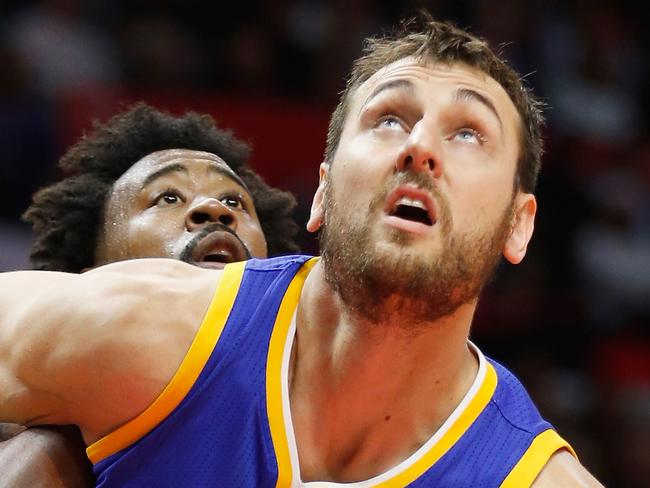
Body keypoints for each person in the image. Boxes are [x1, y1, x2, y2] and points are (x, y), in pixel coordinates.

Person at [0, 16, 603, 487]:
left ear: (518, 226)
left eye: (468, 133)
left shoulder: (532, 476)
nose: (420, 146)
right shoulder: (152, 331)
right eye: (389, 118)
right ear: (321, 192)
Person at [0, 102, 300, 487]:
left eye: (234, 201)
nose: (213, 209)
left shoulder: (332, 393)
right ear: (92, 279)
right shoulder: (46, 455)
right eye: (168, 198)